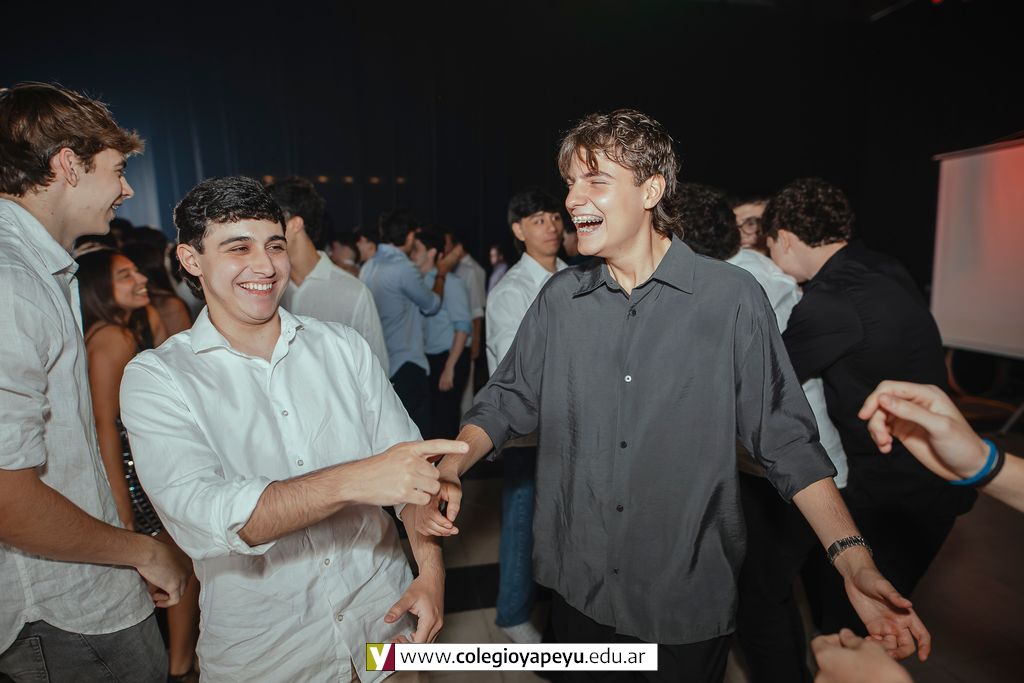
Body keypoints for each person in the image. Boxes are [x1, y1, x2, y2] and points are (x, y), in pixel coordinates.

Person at [411, 109, 930, 682]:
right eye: (570, 183)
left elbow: (786, 440)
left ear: (651, 189)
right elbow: (507, 397)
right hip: (578, 583)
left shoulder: (730, 299)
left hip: (682, 595)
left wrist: (852, 560)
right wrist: (454, 462)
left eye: (595, 180)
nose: (573, 199)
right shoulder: (560, 299)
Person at [120, 176, 467, 682]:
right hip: (271, 657)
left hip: (384, 622)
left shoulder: (342, 348)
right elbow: (208, 517)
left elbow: (410, 481)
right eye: (239, 248)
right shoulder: (159, 378)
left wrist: (431, 575)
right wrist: (354, 479)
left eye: (275, 246)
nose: (265, 266)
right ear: (191, 260)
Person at [0, 82, 190, 681]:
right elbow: (7, 495)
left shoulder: (37, 269)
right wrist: (141, 549)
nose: (126, 190)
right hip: (64, 614)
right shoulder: (11, 282)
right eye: (117, 170)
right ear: (67, 166)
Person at [763, 178, 976, 636]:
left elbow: (766, 377)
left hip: (898, 490)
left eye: (769, 244)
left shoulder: (830, 302)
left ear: (785, 238)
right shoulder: (881, 266)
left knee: (850, 626)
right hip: (931, 476)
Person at [678, 181, 848, 682]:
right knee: (780, 591)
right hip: (808, 462)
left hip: (782, 471)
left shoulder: (728, 290)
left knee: (760, 600)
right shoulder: (760, 270)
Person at [76, 247, 201, 681]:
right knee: (178, 561)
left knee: (176, 563)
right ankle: (179, 663)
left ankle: (177, 660)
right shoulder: (111, 338)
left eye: (136, 271)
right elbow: (105, 427)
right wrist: (122, 504)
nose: (140, 279)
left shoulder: (129, 326)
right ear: (98, 289)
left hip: (142, 464)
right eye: (125, 276)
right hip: (133, 472)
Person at [485, 187, 568, 644]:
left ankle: (559, 607)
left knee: (563, 522)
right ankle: (512, 612)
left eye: (554, 217)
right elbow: (511, 368)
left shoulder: (576, 275)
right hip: (530, 429)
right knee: (522, 519)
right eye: (538, 220)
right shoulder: (512, 291)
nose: (550, 226)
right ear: (518, 230)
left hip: (572, 425)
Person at [267, 176, 389, 374]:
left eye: (269, 220)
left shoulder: (352, 293)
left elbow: (378, 372)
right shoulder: (265, 287)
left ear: (295, 224)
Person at [361, 208, 459, 434]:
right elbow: (431, 305)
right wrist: (441, 274)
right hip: (406, 361)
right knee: (416, 433)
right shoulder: (403, 268)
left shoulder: (367, 267)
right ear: (410, 236)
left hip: (378, 361)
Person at [412, 227, 473, 439]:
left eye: (416, 249)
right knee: (431, 423)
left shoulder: (452, 283)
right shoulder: (418, 284)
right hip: (430, 358)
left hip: (449, 357)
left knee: (444, 423)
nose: (411, 254)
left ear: (432, 252)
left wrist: (449, 367)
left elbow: (463, 327)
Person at [444, 229, 487, 411]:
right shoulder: (452, 269)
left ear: (458, 247)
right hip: (454, 337)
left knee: (466, 394)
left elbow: (477, 309)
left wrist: (476, 342)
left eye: (447, 243)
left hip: (466, 338)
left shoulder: (473, 270)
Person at [122, 239, 194, 336]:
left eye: (128, 274)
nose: (142, 279)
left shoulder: (167, 304)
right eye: (126, 275)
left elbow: (179, 342)